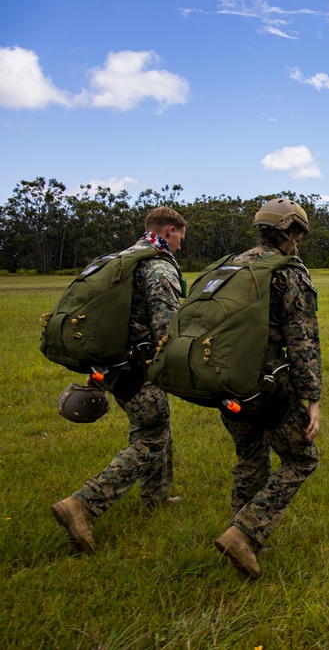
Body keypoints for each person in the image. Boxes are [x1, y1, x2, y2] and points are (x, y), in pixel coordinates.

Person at [51, 206, 187, 553]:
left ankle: (155, 498)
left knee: (155, 425)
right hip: (137, 369)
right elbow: (167, 329)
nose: (182, 245)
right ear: (170, 231)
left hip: (110, 365)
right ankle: (83, 504)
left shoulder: (120, 260)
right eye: (181, 238)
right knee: (151, 438)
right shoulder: (156, 266)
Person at [212, 198, 321, 579]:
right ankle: (244, 533)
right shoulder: (287, 271)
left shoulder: (231, 266)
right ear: (291, 231)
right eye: (298, 234)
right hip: (267, 387)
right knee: (302, 458)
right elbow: (303, 340)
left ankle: (241, 535)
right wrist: (313, 399)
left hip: (224, 381)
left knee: (250, 457)